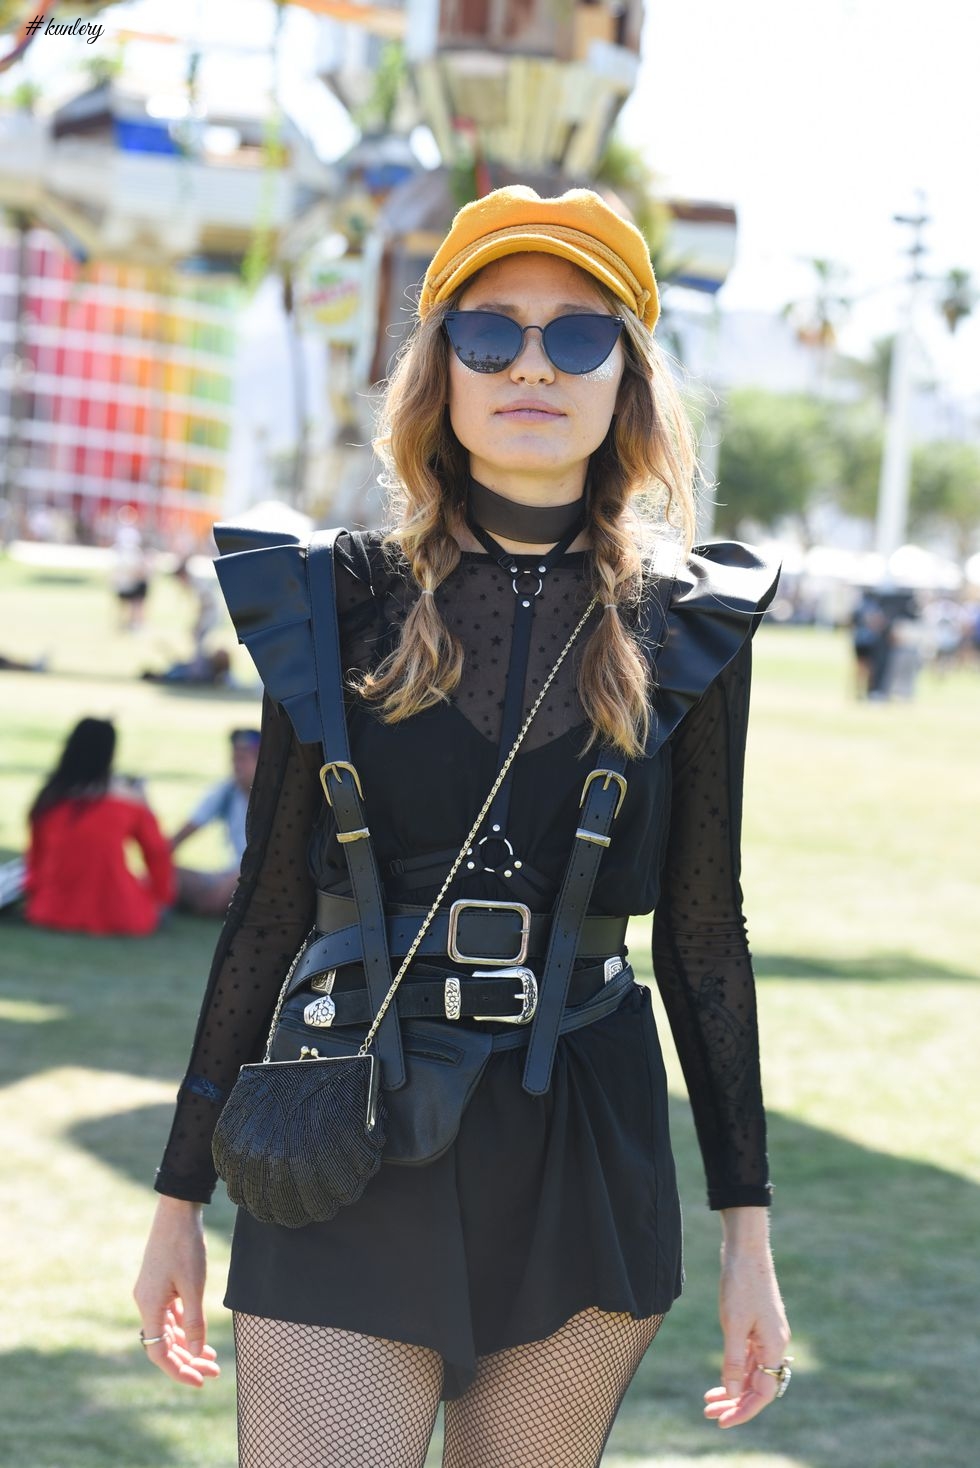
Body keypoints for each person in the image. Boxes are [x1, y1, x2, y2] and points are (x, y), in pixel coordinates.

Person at [135, 186, 791, 1466]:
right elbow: (269, 907)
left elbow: (703, 936)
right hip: (342, 1115)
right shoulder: (330, 602)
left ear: (627, 378)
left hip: (581, 1135)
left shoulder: (687, 625)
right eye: (489, 334)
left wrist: (745, 1238)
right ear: (440, 370)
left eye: (577, 335)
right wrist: (175, 1198)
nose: (531, 364)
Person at [26, 717, 175, 937]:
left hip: (50, 910)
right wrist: (161, 898)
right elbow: (156, 852)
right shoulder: (127, 800)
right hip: (121, 914)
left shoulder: (50, 798)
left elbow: (36, 861)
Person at [170, 728, 260, 916]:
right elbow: (186, 830)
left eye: (243, 759)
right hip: (228, 875)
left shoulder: (277, 800)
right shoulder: (227, 791)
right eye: (234, 759)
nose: (236, 766)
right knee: (170, 876)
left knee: (228, 892)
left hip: (260, 876)